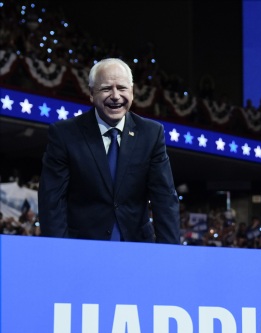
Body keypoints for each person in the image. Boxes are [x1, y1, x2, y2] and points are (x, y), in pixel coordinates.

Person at [38, 58, 180, 243]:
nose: (115, 96)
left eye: (122, 88)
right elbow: (52, 200)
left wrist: (170, 254)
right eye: (106, 89)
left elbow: (164, 198)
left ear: (132, 91)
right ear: (91, 93)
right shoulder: (65, 134)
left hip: (135, 247)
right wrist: (59, 251)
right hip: (82, 247)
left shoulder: (151, 134)